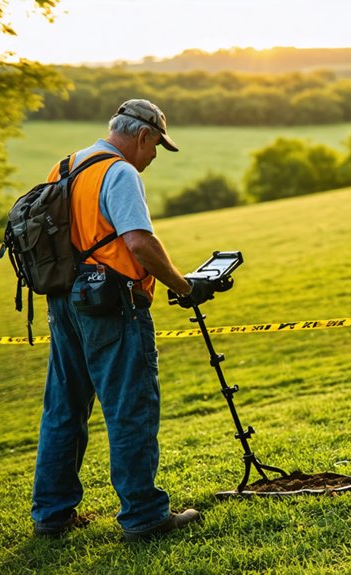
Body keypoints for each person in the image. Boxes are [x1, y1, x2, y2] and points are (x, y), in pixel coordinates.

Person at [31, 99, 213, 542]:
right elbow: (138, 243)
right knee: (130, 407)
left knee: (64, 407)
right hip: (111, 303)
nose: (152, 158)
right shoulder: (120, 172)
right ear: (143, 136)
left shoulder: (66, 167)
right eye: (155, 148)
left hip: (63, 302)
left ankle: (52, 516)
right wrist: (182, 285)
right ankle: (146, 516)